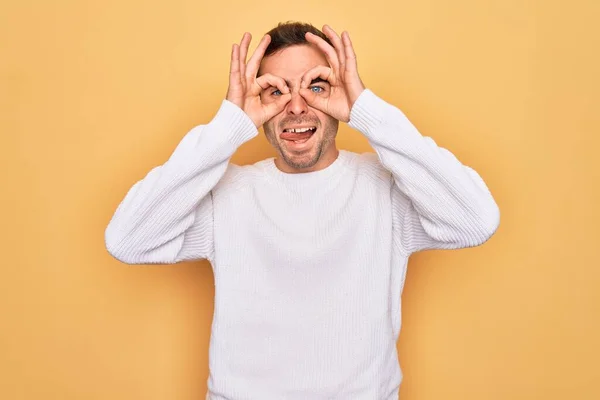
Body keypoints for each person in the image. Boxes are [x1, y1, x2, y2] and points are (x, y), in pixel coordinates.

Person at [105, 21, 500, 400]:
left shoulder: (386, 190)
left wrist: (367, 110)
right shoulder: (226, 195)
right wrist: (228, 125)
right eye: (276, 91)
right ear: (256, 103)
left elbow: (475, 220)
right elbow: (128, 240)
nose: (296, 106)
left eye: (316, 86)